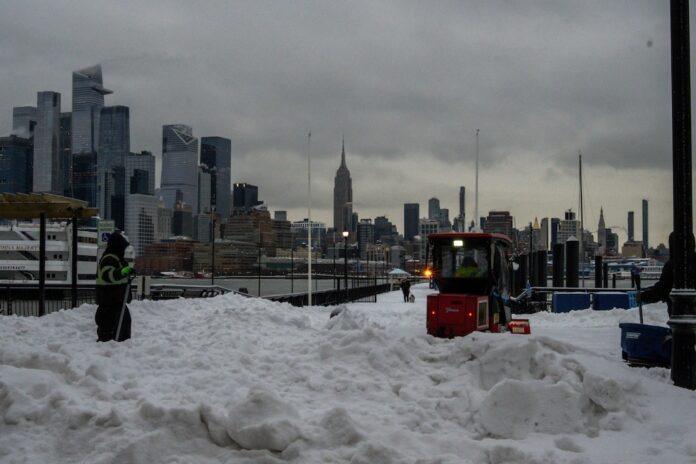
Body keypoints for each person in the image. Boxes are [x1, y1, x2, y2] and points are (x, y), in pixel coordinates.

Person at [95, 231, 135, 342]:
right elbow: (108, 275)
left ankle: (118, 351)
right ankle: (107, 353)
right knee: (110, 331)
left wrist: (127, 272)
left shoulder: (117, 259)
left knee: (123, 327)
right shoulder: (109, 258)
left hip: (116, 301)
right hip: (109, 302)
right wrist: (123, 272)